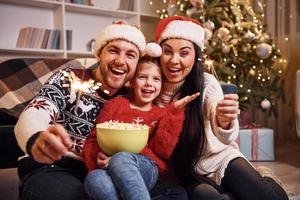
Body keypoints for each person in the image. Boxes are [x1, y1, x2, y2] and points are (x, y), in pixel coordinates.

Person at [14, 22, 187, 200]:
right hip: (54, 167)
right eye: (113, 50)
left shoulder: (130, 97)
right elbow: (35, 112)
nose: (120, 61)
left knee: (175, 193)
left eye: (130, 55)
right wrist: (36, 137)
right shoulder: (70, 79)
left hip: (105, 172)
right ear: (99, 54)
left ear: (137, 64)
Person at [154, 16, 289, 200]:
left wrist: (223, 120)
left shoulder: (207, 83)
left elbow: (219, 120)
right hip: (189, 174)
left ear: (196, 56)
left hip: (220, 159)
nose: (174, 61)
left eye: (184, 53)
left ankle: (266, 179)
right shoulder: (152, 87)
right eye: (167, 52)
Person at [82, 54, 199, 200]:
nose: (149, 83)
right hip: (109, 168)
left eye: (156, 79)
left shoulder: (161, 113)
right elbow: (94, 139)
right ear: (131, 82)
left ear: (162, 84)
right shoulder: (116, 104)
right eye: (142, 77)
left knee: (121, 158)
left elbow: (162, 150)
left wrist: (174, 112)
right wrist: (98, 155)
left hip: (146, 166)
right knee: (95, 179)